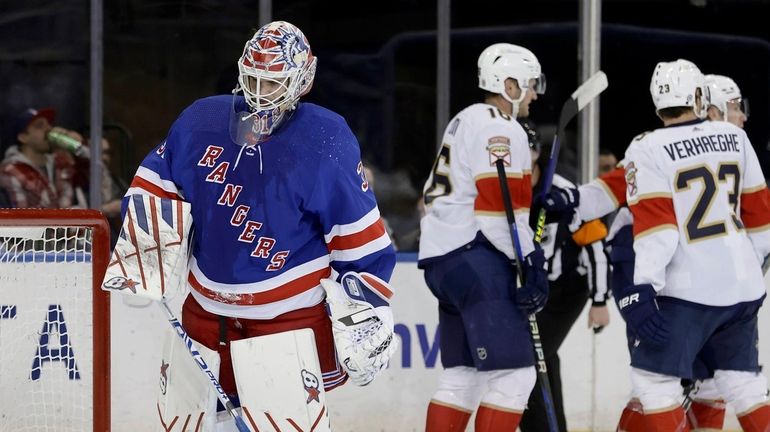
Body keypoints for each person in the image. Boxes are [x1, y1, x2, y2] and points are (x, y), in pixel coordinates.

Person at [120, 20, 397, 425]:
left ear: (303, 79)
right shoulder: (201, 120)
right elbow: (158, 183)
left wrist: (367, 307)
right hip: (205, 313)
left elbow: (356, 234)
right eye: (253, 79)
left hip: (287, 319)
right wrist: (144, 256)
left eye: (273, 83)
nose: (259, 93)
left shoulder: (325, 137)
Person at [545, 59, 770, 431]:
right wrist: (752, 268)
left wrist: (643, 286)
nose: (739, 117)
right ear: (701, 100)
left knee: (655, 384)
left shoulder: (650, 146)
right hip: (739, 289)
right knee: (739, 383)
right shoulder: (736, 140)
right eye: (732, 107)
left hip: (681, 288)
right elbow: (761, 216)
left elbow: (658, 229)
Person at [418, 43, 549, 432]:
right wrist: (530, 261)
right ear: (508, 84)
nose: (535, 94)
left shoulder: (465, 119)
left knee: (463, 377)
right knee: (515, 377)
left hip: (444, 261)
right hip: (476, 257)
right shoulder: (500, 126)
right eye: (530, 84)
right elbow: (497, 213)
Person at [518, 119, 611, 432]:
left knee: (534, 351)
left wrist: (600, 300)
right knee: (538, 354)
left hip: (568, 289)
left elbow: (596, 245)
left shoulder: (562, 192)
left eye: (527, 155)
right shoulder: (506, 192)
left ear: (536, 155)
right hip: (532, 289)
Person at [0, 107, 82, 208]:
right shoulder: (11, 171)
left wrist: (76, 145)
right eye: (39, 126)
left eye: (49, 125)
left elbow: (91, 177)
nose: (48, 129)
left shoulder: (60, 162)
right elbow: (20, 218)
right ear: (23, 137)